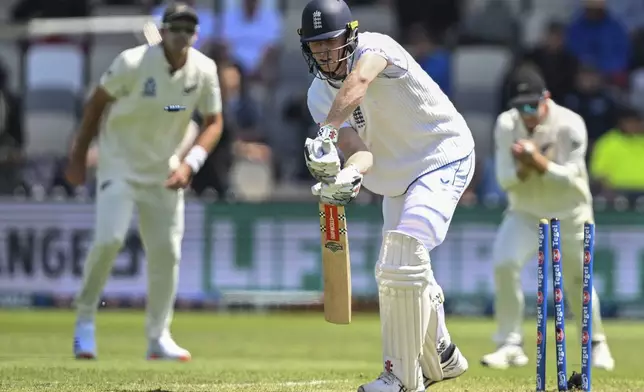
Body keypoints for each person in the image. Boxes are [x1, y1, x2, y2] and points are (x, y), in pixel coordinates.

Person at [299, 0, 474, 390]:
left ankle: (400, 378)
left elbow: (359, 84)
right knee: (396, 270)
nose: (326, 52)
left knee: (403, 251)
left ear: (350, 34)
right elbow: (361, 150)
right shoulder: (317, 96)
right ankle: (441, 354)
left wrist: (325, 134)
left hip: (441, 157)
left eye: (332, 41)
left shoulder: (377, 48)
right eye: (317, 45)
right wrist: (347, 173)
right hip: (396, 180)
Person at [65, 2, 224, 360]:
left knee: (167, 252)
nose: (181, 35)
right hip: (119, 164)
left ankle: (158, 336)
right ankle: (84, 323)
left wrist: (189, 165)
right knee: (109, 240)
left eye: (188, 29)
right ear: (163, 31)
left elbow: (214, 122)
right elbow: (95, 106)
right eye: (175, 28)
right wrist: (78, 157)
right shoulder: (132, 62)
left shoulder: (205, 70)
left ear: (195, 35)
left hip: (165, 170)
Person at [480, 66, 615, 371]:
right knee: (504, 263)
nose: (527, 113)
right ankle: (510, 344)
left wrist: (536, 161)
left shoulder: (570, 124)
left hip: (570, 214)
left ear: (546, 99)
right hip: (525, 213)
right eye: (520, 107)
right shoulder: (506, 124)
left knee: (578, 280)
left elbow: (568, 178)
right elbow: (505, 180)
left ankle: (596, 343)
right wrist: (525, 168)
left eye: (532, 105)